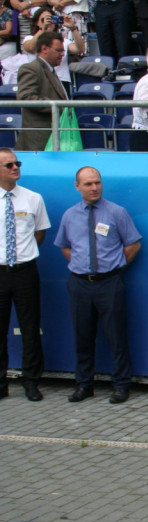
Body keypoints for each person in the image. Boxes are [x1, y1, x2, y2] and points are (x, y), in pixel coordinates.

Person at [53, 167, 141, 405]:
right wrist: (83, 266)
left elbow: (133, 243)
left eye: (97, 183)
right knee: (82, 336)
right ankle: (84, 385)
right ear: (77, 186)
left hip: (109, 283)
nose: (94, 188)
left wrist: (115, 266)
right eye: (88, 184)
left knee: (116, 336)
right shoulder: (70, 215)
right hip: (80, 284)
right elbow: (65, 247)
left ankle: (121, 385)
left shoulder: (116, 212)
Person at [0, 151, 48, 403]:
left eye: (17, 163)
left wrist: (22, 255)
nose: (15, 168)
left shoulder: (33, 198)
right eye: (9, 165)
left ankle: (31, 382)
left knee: (30, 328)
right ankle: (1, 384)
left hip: (25, 271)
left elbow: (39, 233)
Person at [16, 30, 66, 149]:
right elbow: (25, 97)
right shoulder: (31, 68)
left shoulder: (50, 70)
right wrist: (56, 107)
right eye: (58, 50)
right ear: (44, 49)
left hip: (51, 136)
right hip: (39, 139)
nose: (63, 54)